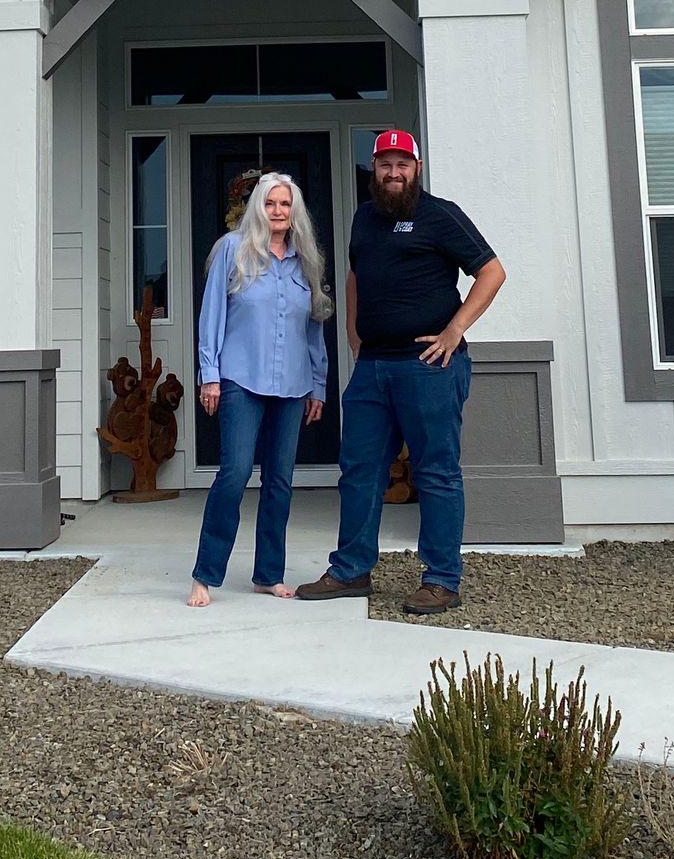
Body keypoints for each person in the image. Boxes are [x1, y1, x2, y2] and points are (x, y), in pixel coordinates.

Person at [297, 131, 505, 616]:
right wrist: (353, 334)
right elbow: (355, 275)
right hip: (372, 368)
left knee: (435, 473)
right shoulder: (364, 217)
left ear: (417, 167)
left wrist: (454, 330)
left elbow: (492, 271)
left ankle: (441, 580)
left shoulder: (441, 214)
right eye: (385, 165)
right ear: (374, 168)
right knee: (360, 470)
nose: (393, 173)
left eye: (402, 164)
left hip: (428, 368)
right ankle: (350, 570)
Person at [187, 172, 330, 607]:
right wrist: (208, 374)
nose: (278, 211)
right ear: (257, 208)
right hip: (239, 379)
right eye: (271, 203)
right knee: (233, 475)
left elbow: (313, 328)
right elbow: (212, 314)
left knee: (280, 481)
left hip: (292, 384)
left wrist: (319, 384)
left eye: (286, 204)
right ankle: (204, 574)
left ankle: (268, 574)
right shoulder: (234, 250)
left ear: (295, 211)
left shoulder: (305, 259)